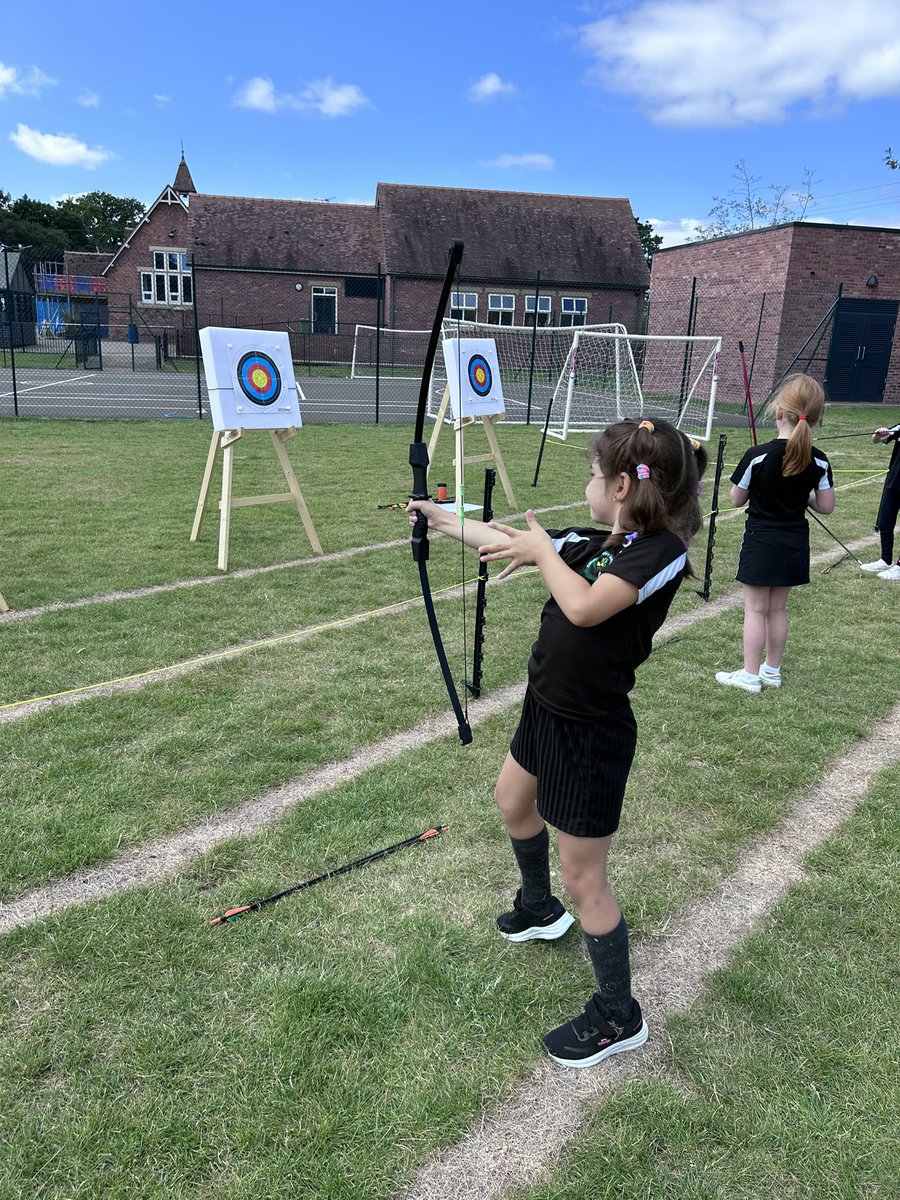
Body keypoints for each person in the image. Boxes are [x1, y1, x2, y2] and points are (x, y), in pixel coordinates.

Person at [408, 418, 707, 1069]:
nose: (589, 484)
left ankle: (618, 1016)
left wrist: (544, 553)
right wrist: (438, 518)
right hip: (546, 710)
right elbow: (512, 539)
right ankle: (538, 908)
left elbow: (586, 608)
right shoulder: (601, 540)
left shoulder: (661, 553)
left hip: (590, 734)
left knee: (586, 877)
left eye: (596, 475)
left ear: (624, 485)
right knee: (512, 800)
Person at [715, 373, 835, 695]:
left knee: (755, 609)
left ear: (779, 414)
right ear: (814, 418)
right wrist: (801, 495)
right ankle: (772, 670)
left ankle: (751, 675)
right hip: (794, 542)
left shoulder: (758, 455)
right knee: (777, 609)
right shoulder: (819, 460)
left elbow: (736, 498)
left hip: (761, 540)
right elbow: (826, 506)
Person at [858, 422, 900, 581]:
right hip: (894, 481)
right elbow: (875, 440)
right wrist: (878, 434)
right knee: (885, 522)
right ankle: (885, 560)